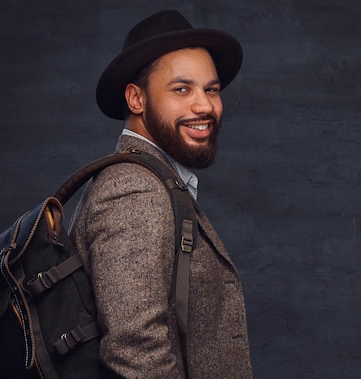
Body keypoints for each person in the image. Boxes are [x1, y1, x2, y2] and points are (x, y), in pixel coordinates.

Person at [70, 10, 252, 378]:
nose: (204, 105)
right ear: (136, 99)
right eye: (181, 89)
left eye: (211, 89)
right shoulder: (134, 190)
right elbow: (136, 350)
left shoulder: (156, 181)